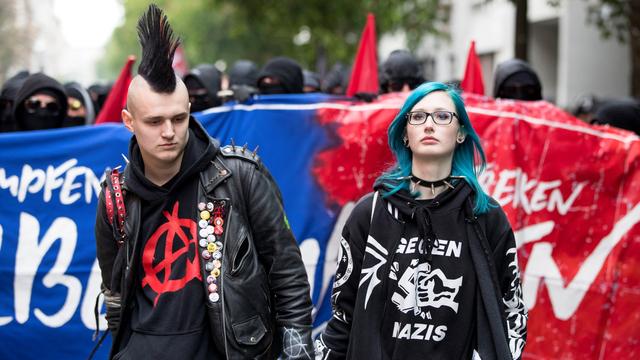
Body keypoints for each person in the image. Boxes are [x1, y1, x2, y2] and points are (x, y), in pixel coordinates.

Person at [95, 5, 313, 359]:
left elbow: (287, 275)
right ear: (128, 121)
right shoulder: (115, 196)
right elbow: (115, 291)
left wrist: (297, 353)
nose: (169, 132)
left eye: (179, 118)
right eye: (154, 122)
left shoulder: (239, 175)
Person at [315, 82, 527, 360]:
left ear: (461, 132)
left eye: (442, 116)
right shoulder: (370, 213)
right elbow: (343, 316)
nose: (429, 125)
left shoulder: (485, 217)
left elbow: (512, 314)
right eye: (418, 117)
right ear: (405, 133)